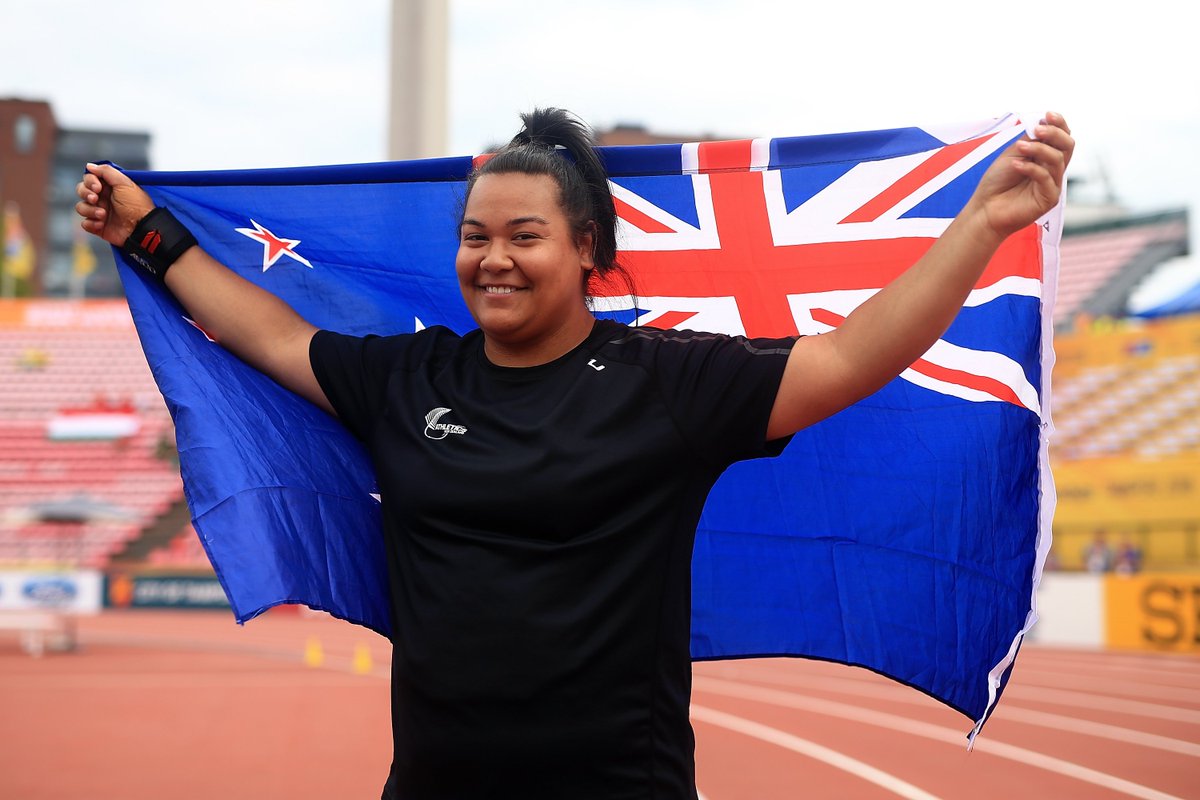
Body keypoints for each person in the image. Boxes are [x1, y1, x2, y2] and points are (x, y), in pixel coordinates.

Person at [76, 108, 1073, 799]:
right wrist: (149, 234)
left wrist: (983, 223)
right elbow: (270, 335)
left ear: (588, 248)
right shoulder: (410, 377)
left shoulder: (668, 382)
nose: (493, 258)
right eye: (474, 236)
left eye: (523, 235)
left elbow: (853, 356)